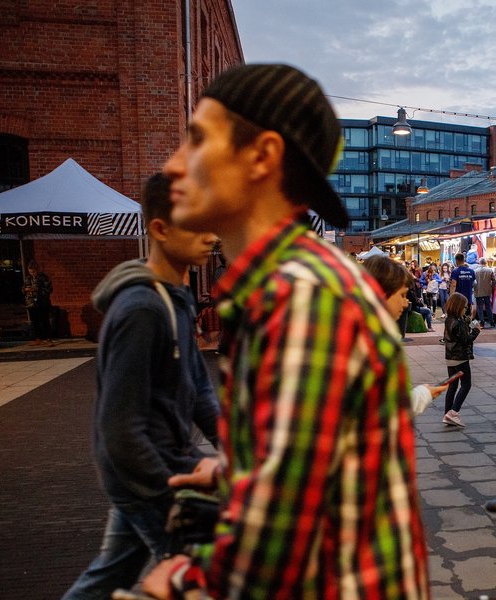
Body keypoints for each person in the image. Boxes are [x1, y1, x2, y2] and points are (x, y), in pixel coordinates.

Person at [145, 64, 429, 599]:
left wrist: (184, 577)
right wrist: (235, 474)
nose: (173, 165)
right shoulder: (284, 287)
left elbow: (277, 531)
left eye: (197, 139)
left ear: (262, 157)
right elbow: (308, 468)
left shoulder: (300, 296)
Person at [62, 174, 220, 599]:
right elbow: (119, 426)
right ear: (160, 229)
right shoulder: (141, 309)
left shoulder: (176, 299)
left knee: (111, 572)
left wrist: (236, 447)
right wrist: (166, 490)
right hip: (148, 473)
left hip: (165, 461)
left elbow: (199, 389)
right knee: (192, 577)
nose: (212, 236)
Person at [363, 255, 450, 415]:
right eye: (402, 295)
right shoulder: (370, 343)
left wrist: (423, 395)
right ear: (381, 294)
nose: (405, 302)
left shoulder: (376, 335)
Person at [442, 292, 480, 427]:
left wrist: (469, 320)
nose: (466, 309)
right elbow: (466, 340)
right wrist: (476, 331)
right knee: (466, 384)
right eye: (464, 307)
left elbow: (460, 331)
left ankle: (447, 413)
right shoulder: (458, 323)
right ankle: (454, 412)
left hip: (450, 358)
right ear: (458, 307)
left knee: (452, 385)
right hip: (460, 359)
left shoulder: (449, 320)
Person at [23, 259, 54, 346]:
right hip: (31, 303)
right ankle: (38, 338)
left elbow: (49, 290)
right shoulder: (28, 278)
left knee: (45, 321)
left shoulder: (44, 278)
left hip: (42, 303)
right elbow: (23, 288)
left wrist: (38, 290)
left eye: (33, 272)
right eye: (30, 272)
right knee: (34, 321)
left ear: (37, 270)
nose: (32, 274)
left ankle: (48, 339)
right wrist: (25, 290)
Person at [474, 257, 496, 328]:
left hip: (478, 291)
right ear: (486, 263)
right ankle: (492, 322)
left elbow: (474, 282)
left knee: (480, 307)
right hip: (487, 291)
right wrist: (492, 288)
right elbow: (494, 281)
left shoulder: (475, 271)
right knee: (488, 307)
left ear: (479, 263)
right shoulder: (490, 270)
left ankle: (482, 323)